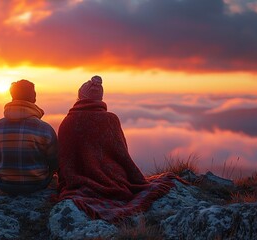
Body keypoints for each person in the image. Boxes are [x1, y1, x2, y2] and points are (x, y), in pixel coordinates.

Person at [56, 76, 177, 222]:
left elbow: (63, 159)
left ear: (80, 97)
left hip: (79, 180)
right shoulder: (111, 119)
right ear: (100, 98)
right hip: (117, 177)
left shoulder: (68, 122)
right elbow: (122, 154)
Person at [0, 79, 58, 195]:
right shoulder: (45, 129)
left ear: (12, 96)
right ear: (33, 98)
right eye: (34, 93)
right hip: (37, 185)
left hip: (4, 185)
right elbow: (54, 161)